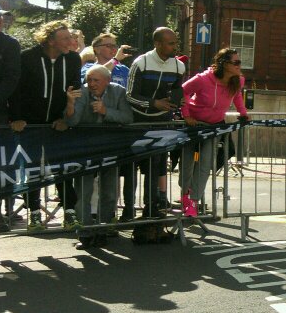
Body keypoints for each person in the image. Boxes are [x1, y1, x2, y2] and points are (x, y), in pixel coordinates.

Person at [9, 20, 83, 231]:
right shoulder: (27, 57)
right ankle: (33, 213)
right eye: (66, 38)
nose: (71, 41)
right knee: (32, 169)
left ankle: (69, 212)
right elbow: (16, 91)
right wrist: (17, 118)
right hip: (30, 124)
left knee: (62, 166)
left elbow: (75, 87)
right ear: (50, 40)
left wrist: (65, 118)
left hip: (57, 124)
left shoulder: (72, 59)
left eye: (71, 37)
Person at [65, 65, 134, 248]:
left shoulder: (118, 92)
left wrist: (106, 112)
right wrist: (71, 104)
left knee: (109, 193)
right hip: (85, 149)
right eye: (89, 80)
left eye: (96, 80)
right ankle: (85, 233)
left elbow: (128, 117)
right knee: (83, 193)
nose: (92, 84)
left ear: (107, 81)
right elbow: (72, 121)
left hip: (109, 148)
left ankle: (102, 231)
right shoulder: (82, 92)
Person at [179, 47, 250, 217]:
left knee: (205, 164)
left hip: (213, 126)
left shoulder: (237, 81)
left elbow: (237, 96)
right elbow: (183, 92)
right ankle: (184, 197)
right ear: (224, 64)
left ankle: (193, 202)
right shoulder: (203, 79)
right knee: (187, 164)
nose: (240, 65)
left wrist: (243, 113)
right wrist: (186, 115)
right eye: (236, 62)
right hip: (193, 125)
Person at [125, 27, 185, 218]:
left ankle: (151, 207)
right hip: (137, 120)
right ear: (157, 44)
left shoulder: (178, 66)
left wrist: (175, 101)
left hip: (161, 121)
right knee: (131, 166)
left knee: (155, 164)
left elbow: (177, 90)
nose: (175, 47)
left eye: (175, 42)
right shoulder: (140, 63)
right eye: (170, 43)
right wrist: (154, 103)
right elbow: (130, 95)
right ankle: (128, 208)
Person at [0, 7, 21, 232]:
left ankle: (4, 210)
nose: (1, 21)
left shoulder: (10, 45)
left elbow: (11, 78)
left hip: (1, 116)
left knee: (4, 165)